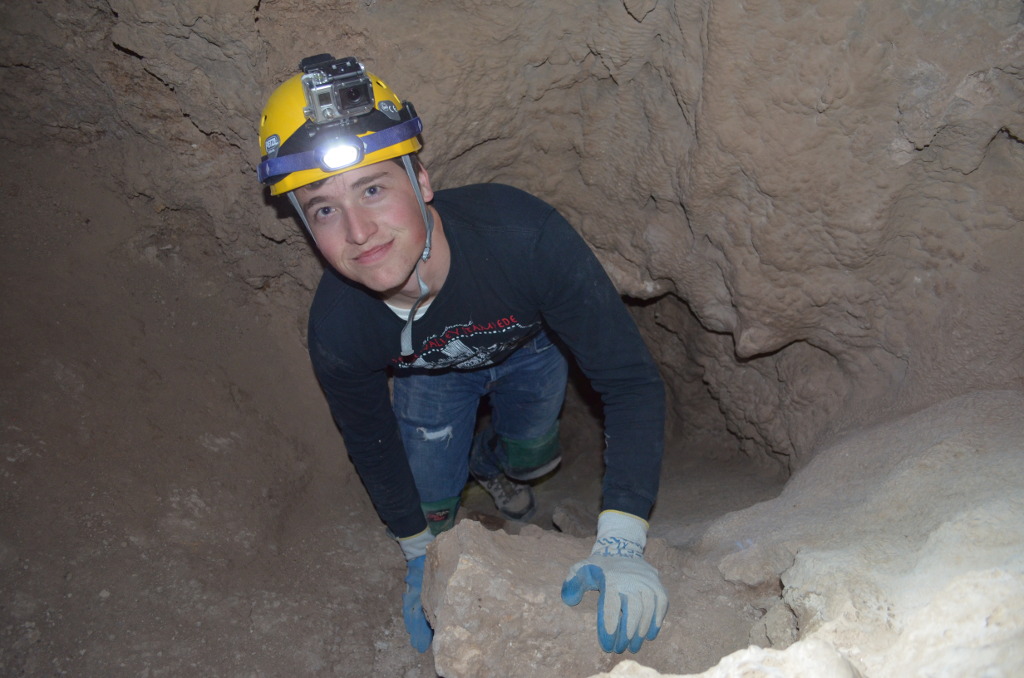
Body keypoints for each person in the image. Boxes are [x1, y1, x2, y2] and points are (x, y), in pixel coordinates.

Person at [256, 54, 669, 654]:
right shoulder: (341, 329)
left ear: (421, 183)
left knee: (533, 461)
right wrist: (420, 549)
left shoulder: (524, 239)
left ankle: (491, 462)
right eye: (324, 208)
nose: (358, 231)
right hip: (433, 374)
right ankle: (458, 497)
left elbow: (629, 381)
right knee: (433, 507)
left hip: (530, 349)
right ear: (305, 227)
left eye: (373, 188)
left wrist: (624, 537)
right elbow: (370, 441)